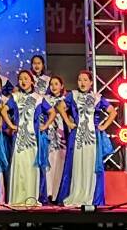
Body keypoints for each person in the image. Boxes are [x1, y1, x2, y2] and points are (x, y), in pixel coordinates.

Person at [59, 70, 116, 207]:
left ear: (91, 82)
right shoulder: (73, 95)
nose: (82, 83)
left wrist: (103, 126)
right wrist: (68, 122)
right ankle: (75, 194)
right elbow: (60, 107)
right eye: (80, 80)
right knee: (76, 164)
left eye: (85, 80)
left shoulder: (97, 97)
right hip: (77, 136)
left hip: (92, 137)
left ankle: (92, 197)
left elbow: (112, 112)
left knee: (91, 165)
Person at [1, 70, 44, 207]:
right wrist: (11, 125)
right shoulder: (15, 97)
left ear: (32, 81)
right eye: (20, 79)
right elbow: (3, 110)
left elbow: (52, 111)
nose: (23, 81)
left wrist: (44, 126)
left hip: (32, 138)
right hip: (19, 137)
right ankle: (17, 198)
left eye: (26, 78)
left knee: (31, 166)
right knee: (19, 165)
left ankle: (31, 197)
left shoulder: (38, 98)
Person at [38, 74, 68, 204]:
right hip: (49, 134)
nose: (53, 87)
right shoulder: (45, 99)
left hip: (62, 135)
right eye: (51, 84)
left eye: (56, 84)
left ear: (61, 86)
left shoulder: (66, 100)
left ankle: (58, 194)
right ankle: (48, 194)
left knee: (60, 163)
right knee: (49, 164)